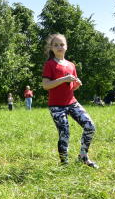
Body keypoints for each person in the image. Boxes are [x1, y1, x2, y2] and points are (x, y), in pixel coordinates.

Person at [41, 33, 98, 168]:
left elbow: (71, 88)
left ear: (66, 47)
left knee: (90, 126)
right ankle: (64, 164)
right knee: (64, 133)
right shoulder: (49, 64)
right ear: (51, 48)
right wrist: (63, 79)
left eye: (62, 44)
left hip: (72, 103)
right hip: (56, 106)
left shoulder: (71, 65)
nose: (59, 47)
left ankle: (83, 157)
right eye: (56, 45)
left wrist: (77, 84)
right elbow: (46, 85)